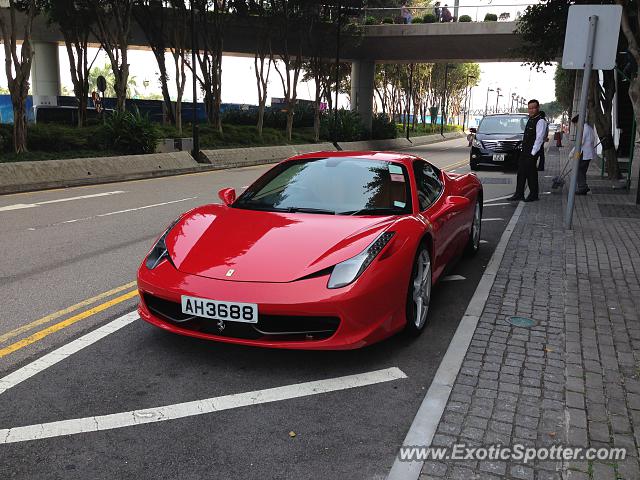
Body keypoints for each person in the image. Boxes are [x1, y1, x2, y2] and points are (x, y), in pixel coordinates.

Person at [509, 99, 547, 202]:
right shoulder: (531, 119)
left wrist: (533, 153)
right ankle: (519, 194)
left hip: (531, 152)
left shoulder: (540, 121)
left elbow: (539, 139)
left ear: (538, 108)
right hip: (524, 151)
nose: (531, 110)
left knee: (531, 174)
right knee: (521, 173)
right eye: (530, 108)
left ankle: (534, 195)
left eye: (534, 108)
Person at [569, 114, 597, 195]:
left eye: (576, 124)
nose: (576, 126)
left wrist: (572, 153)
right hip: (585, 153)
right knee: (582, 170)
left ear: (579, 122)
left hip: (584, 153)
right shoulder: (588, 128)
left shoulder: (584, 129)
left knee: (578, 169)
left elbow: (579, 143)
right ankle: (583, 186)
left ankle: (582, 187)